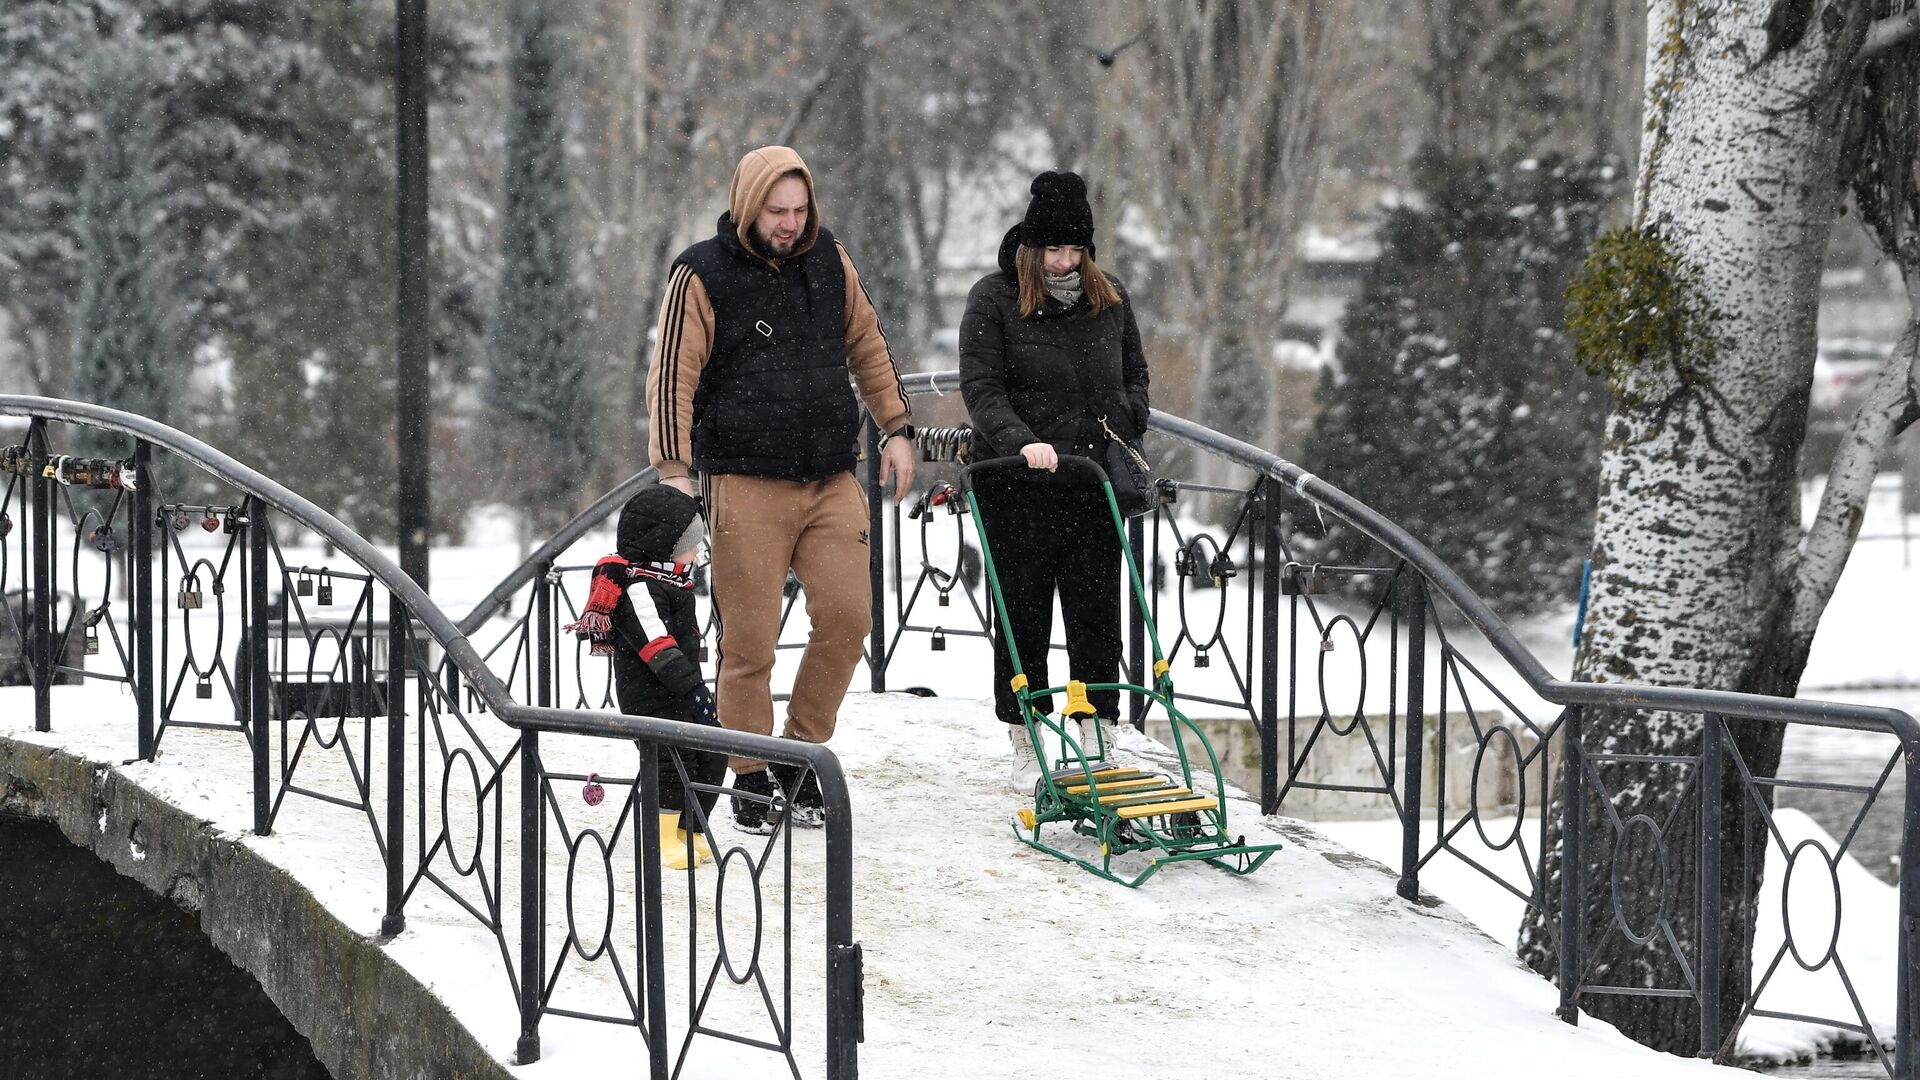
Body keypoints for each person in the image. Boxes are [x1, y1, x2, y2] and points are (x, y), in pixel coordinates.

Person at [644, 145, 914, 834]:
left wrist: (898, 428)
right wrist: (674, 470)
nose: (791, 224)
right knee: (750, 643)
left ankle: (798, 751)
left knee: (851, 618)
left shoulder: (831, 261)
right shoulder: (700, 274)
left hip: (829, 475)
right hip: (743, 478)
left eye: (800, 211)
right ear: (747, 205)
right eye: (777, 211)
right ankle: (751, 772)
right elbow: (672, 374)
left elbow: (869, 346)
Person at [958, 170, 1150, 793]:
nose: (1064, 262)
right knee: (1024, 611)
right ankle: (1025, 732)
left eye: (1075, 250)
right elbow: (982, 391)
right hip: (1018, 483)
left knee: (1096, 608)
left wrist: (1127, 417)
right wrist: (1022, 442)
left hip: (1092, 482)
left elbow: (1136, 375)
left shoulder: (1110, 298)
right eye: (1053, 250)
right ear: (1031, 248)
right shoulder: (994, 299)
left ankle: (1097, 725)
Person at [563, 485, 723, 870]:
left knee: (712, 756)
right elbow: (657, 646)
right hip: (651, 695)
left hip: (681, 690)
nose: (697, 552)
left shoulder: (673, 583)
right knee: (670, 762)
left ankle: (690, 831)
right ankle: (661, 837)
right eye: (690, 543)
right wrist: (693, 689)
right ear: (662, 545)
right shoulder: (637, 588)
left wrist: (692, 689)